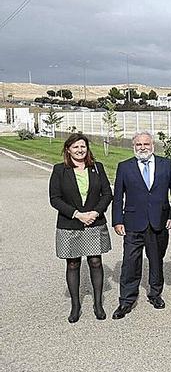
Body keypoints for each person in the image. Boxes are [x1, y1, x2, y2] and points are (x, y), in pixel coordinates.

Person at [111, 131, 171, 319]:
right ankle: (126, 300)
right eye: (139, 145)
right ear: (134, 146)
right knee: (130, 262)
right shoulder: (124, 167)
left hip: (159, 221)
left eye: (146, 144)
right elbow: (118, 197)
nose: (143, 148)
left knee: (156, 260)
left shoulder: (167, 164)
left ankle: (155, 294)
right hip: (133, 222)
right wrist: (117, 220)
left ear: (153, 146)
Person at [49, 133, 112, 323]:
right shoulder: (60, 170)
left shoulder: (97, 168)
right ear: (68, 149)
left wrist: (95, 212)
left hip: (94, 221)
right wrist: (77, 214)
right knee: (73, 264)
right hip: (71, 223)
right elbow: (55, 199)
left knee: (95, 262)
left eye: (83, 146)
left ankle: (98, 304)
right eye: (75, 147)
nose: (80, 150)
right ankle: (75, 306)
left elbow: (107, 193)